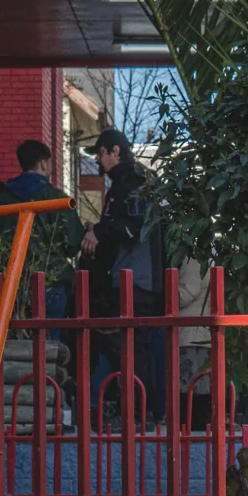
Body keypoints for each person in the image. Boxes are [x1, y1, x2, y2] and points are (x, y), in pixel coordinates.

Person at [80, 129, 165, 421]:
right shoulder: (130, 180)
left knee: (132, 347)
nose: (99, 162)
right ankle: (143, 410)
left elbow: (133, 225)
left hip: (134, 280)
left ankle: (139, 412)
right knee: (132, 346)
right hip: (133, 278)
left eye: (101, 154)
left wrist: (100, 232)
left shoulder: (131, 181)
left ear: (115, 151)